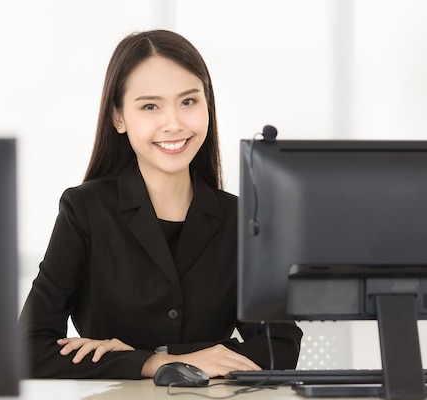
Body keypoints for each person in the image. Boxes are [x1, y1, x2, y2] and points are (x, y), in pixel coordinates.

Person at [18, 29, 302, 380]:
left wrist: (163, 357)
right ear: (119, 118)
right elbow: (28, 349)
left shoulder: (240, 219)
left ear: (207, 106)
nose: (173, 123)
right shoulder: (85, 210)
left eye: (188, 102)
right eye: (150, 106)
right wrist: (152, 364)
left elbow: (280, 347)